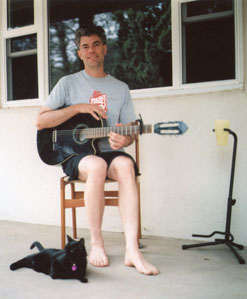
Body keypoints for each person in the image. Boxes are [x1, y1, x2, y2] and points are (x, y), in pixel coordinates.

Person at [36, 24, 159, 275]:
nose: (91, 51)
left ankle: (132, 250)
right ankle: (96, 243)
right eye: (85, 46)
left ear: (104, 48)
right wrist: (77, 108)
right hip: (74, 154)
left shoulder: (120, 88)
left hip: (107, 150)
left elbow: (130, 131)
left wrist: (125, 141)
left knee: (126, 165)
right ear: (79, 53)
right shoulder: (67, 83)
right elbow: (41, 122)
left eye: (95, 45)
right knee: (96, 165)